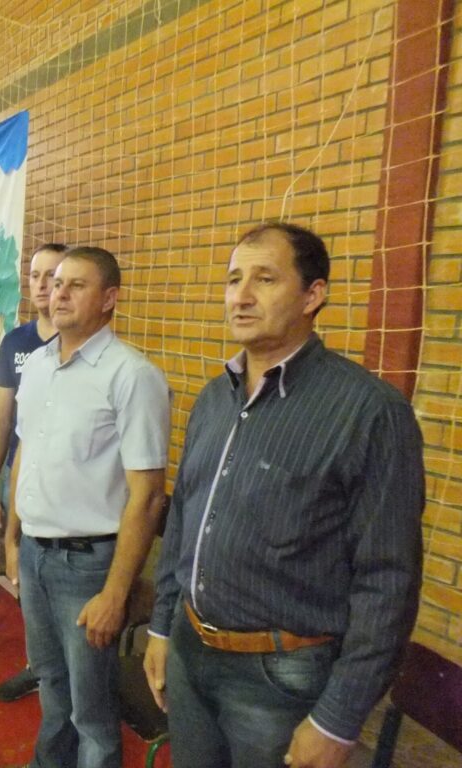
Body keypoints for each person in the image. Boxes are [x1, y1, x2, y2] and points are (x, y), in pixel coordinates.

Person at [143, 222, 425, 768]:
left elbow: (388, 580)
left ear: (313, 295)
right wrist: (161, 627)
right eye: (234, 280)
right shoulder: (214, 398)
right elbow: (184, 521)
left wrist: (338, 718)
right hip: (190, 648)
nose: (241, 296)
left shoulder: (369, 412)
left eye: (265, 279)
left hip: (281, 678)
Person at [8, 246, 171, 768]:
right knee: (51, 684)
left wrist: (116, 593)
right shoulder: (37, 365)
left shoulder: (131, 375)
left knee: (93, 713)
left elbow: (148, 496)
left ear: (109, 299)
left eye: (76, 285)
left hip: (87, 565)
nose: (58, 293)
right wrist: (13, 539)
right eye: (57, 283)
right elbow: (25, 454)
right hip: (35, 552)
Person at [0, 242, 67, 702]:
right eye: (35, 275)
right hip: (21, 474)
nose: (44, 284)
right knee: (23, 573)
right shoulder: (17, 342)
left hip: (68, 483)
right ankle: (39, 665)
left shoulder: (81, 342)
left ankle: (65, 674)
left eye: (54, 275)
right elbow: (1, 418)